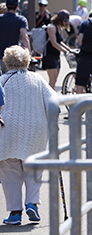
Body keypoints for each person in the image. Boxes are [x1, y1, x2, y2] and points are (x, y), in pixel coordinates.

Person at [0, 45, 57, 225]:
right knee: (33, 168)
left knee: (10, 172)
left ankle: (15, 213)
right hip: (35, 130)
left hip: (7, 131)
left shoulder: (2, 80)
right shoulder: (37, 79)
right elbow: (55, 103)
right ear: (27, 61)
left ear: (7, 63)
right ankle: (32, 203)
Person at [43, 9, 74, 90]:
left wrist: (69, 49)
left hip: (56, 56)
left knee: (55, 80)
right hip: (50, 56)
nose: (66, 23)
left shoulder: (59, 28)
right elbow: (54, 43)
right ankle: (48, 100)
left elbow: (59, 42)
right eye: (65, 21)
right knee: (52, 81)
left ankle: (52, 98)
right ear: (60, 19)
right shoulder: (51, 27)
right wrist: (64, 51)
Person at [0, 0, 30, 73]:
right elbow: (24, 37)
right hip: (12, 59)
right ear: (17, 6)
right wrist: (28, 55)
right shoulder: (21, 20)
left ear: (6, 6)